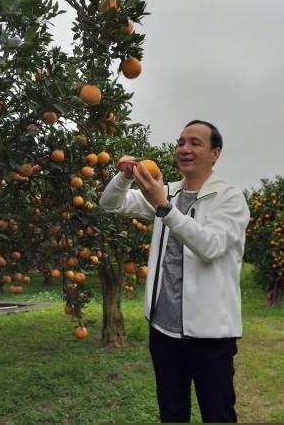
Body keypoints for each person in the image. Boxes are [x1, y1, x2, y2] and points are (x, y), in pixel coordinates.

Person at [99, 120, 250, 423]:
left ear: (215, 153)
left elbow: (211, 246)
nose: (185, 149)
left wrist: (164, 208)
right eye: (181, 142)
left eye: (195, 143)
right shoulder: (167, 192)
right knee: (171, 413)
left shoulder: (229, 198)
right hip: (163, 332)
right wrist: (123, 177)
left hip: (210, 336)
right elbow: (110, 204)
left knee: (218, 414)